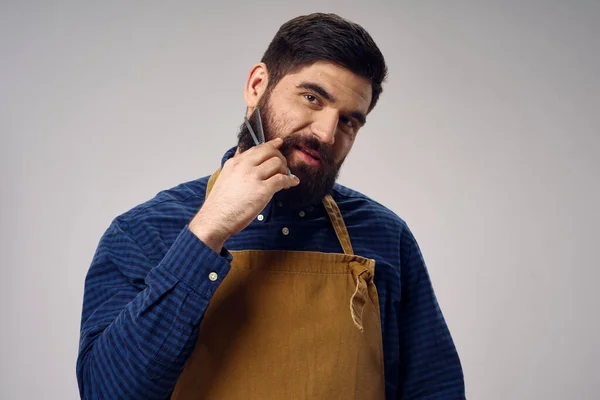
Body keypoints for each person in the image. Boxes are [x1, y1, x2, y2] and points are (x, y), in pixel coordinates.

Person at [77, 12, 465, 400]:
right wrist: (207, 232)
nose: (326, 134)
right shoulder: (143, 232)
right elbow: (106, 393)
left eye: (348, 121)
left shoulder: (386, 236)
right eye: (312, 98)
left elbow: (435, 389)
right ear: (258, 85)